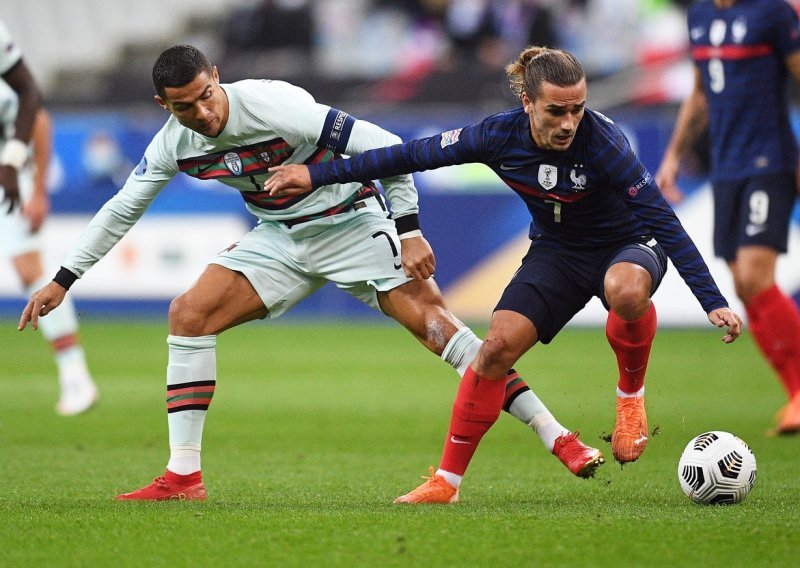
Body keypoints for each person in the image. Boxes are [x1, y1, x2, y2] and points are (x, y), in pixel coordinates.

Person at [18, 45, 605, 501]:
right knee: (188, 315)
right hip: (280, 238)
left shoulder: (277, 106)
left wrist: (408, 231)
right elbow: (123, 207)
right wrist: (62, 280)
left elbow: (390, 149)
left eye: (205, 96)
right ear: (162, 107)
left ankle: (558, 437)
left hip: (351, 221)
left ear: (217, 76)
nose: (201, 112)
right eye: (183, 107)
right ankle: (182, 477)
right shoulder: (174, 144)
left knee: (446, 337)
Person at [264, 45, 744, 504]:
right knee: (493, 350)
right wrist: (315, 175)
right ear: (527, 103)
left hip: (628, 242)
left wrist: (711, 299)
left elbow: (662, 218)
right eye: (556, 111)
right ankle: (446, 482)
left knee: (625, 290)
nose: (569, 122)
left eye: (577, 108)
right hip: (558, 250)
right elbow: (408, 156)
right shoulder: (497, 135)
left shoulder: (606, 144)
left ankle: (630, 397)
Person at [656, 0, 800, 435]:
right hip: (726, 167)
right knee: (741, 283)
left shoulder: (773, 12)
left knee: (756, 276)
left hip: (769, 161)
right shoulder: (700, 15)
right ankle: (793, 392)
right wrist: (674, 155)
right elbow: (700, 91)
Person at [0, 20, 98, 416]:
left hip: (10, 174)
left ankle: (75, 376)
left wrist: (37, 189)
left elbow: (37, 116)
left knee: (29, 271)